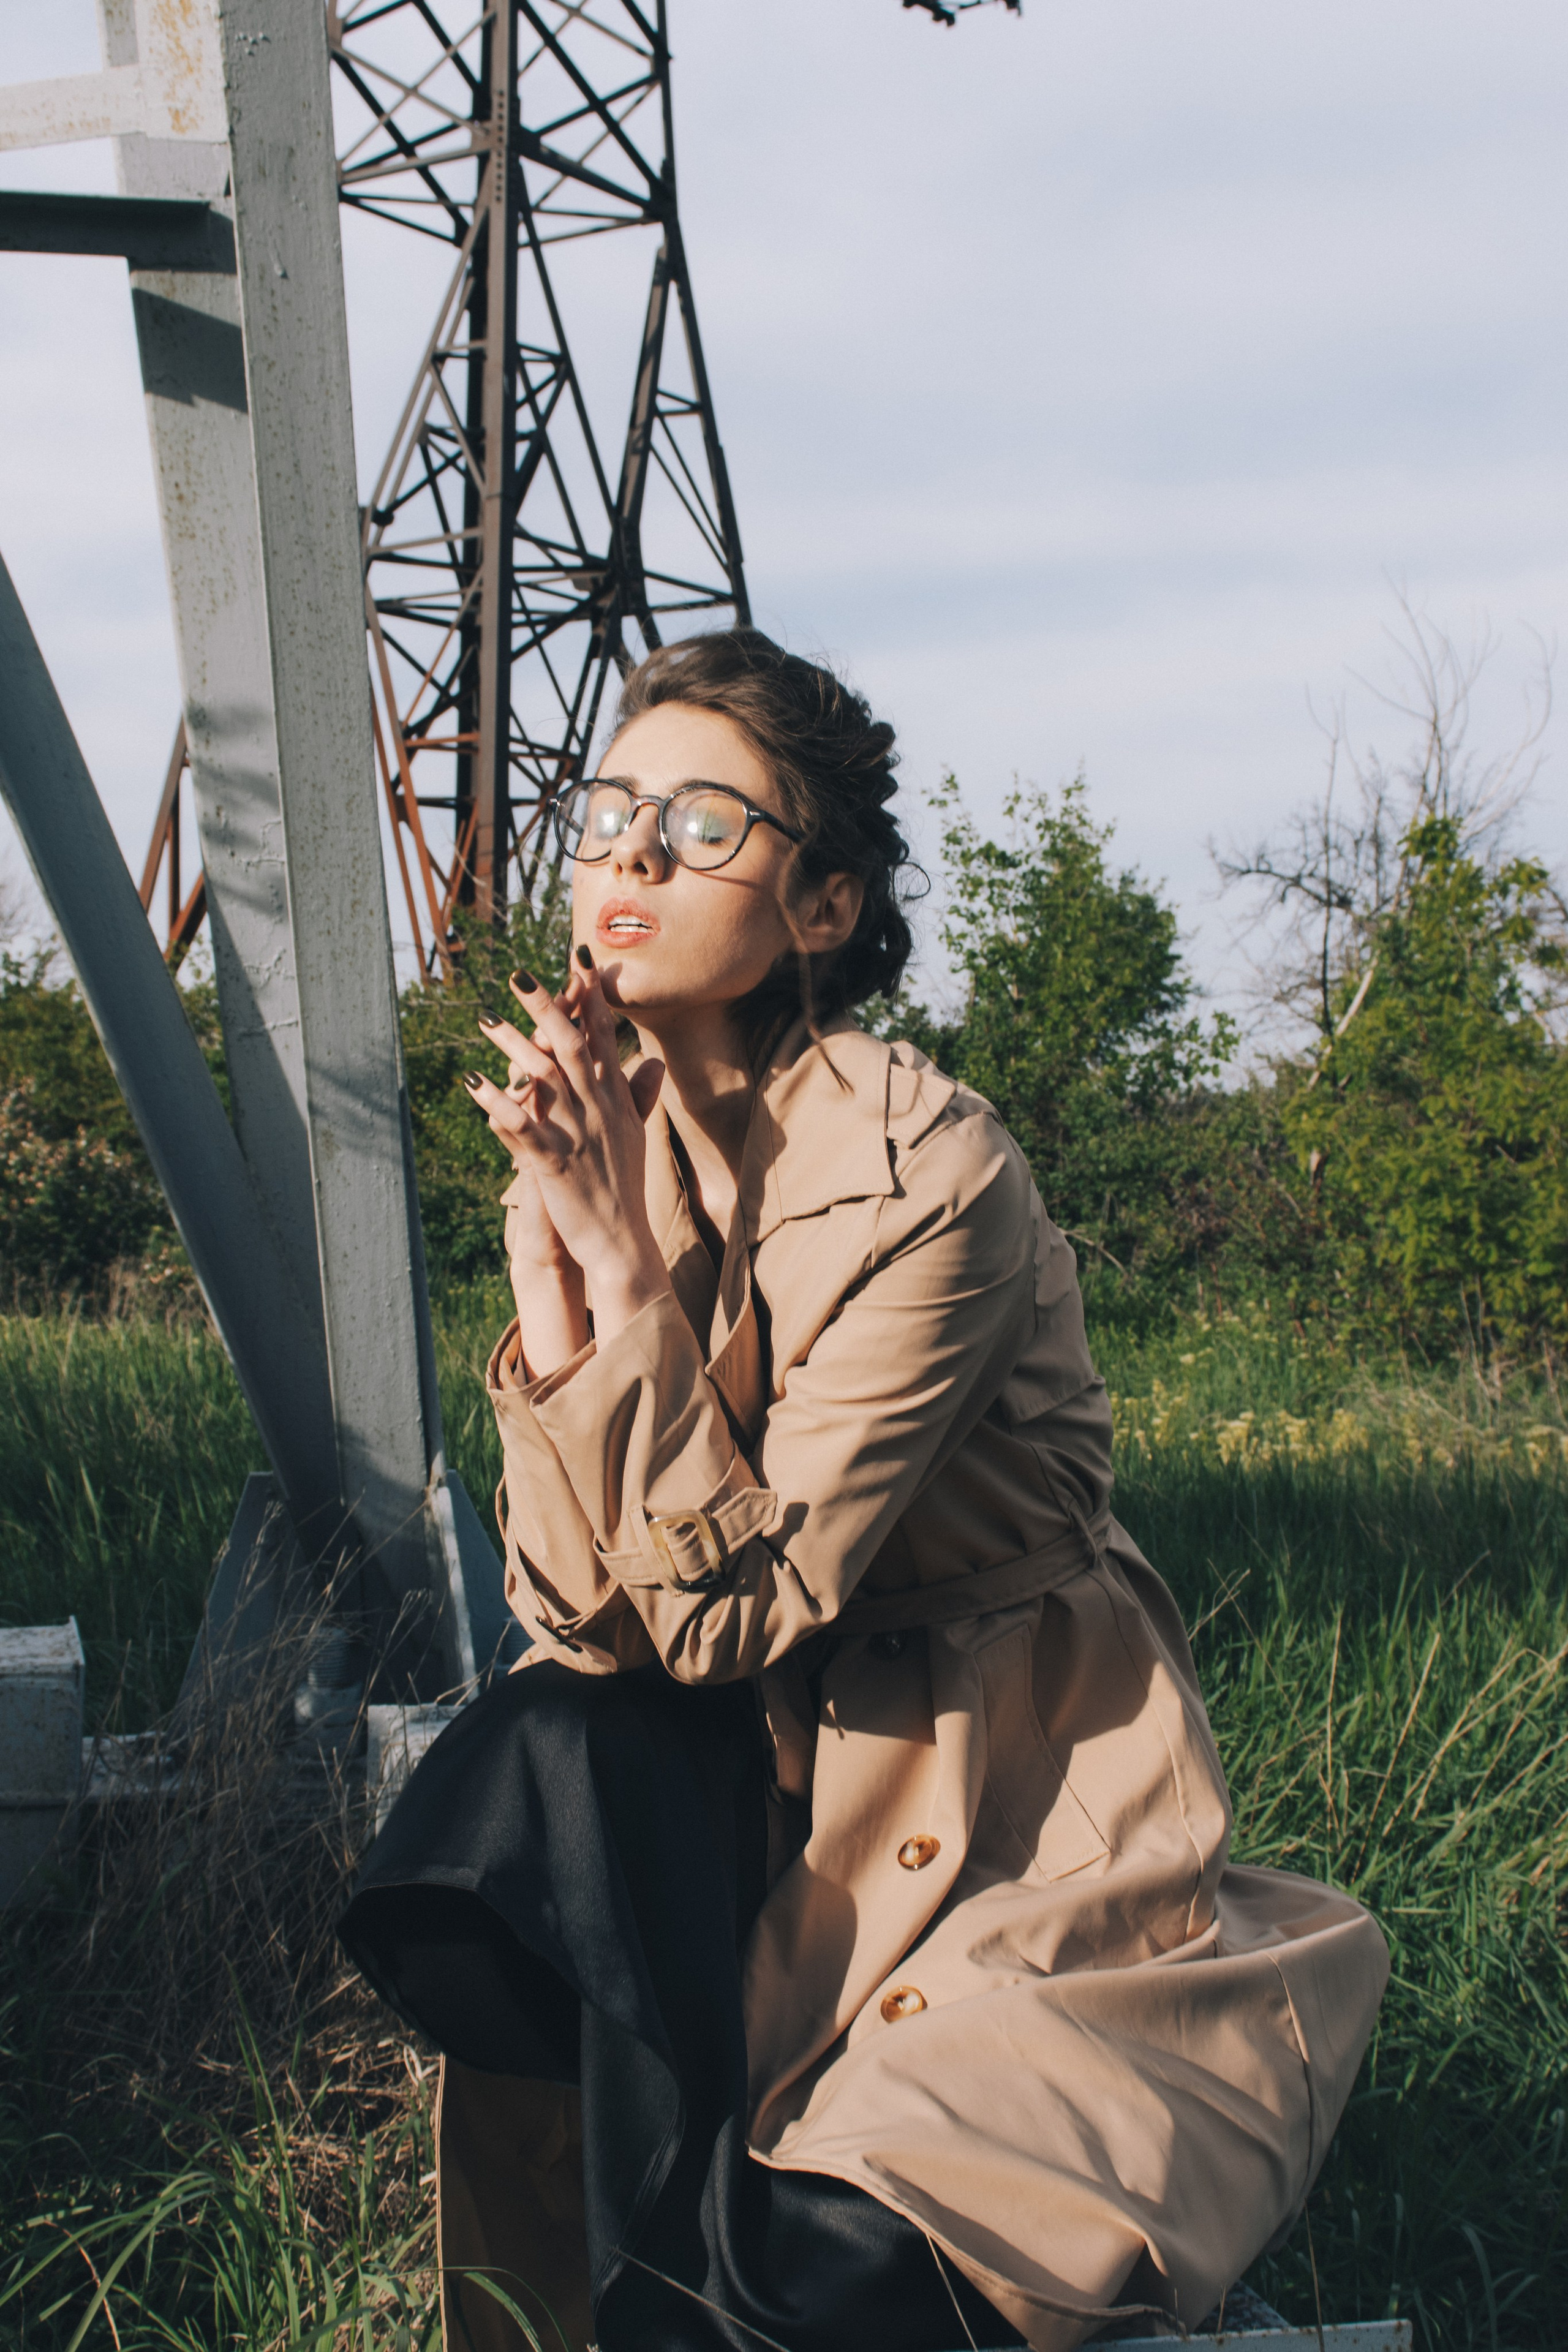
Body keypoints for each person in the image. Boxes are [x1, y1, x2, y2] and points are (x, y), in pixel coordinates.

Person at [340, 629, 1388, 2352]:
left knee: (861, 2268)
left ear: (821, 909)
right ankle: (605, 2278)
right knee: (532, 1752)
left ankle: (747, 2238)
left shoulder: (934, 1173)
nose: (627, 856)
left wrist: (612, 1254)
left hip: (991, 1787)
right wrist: (555, 1269)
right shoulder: (621, 1137)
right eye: (610, 813)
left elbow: (735, 1603)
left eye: (698, 826)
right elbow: (581, 1620)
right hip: (758, 1748)